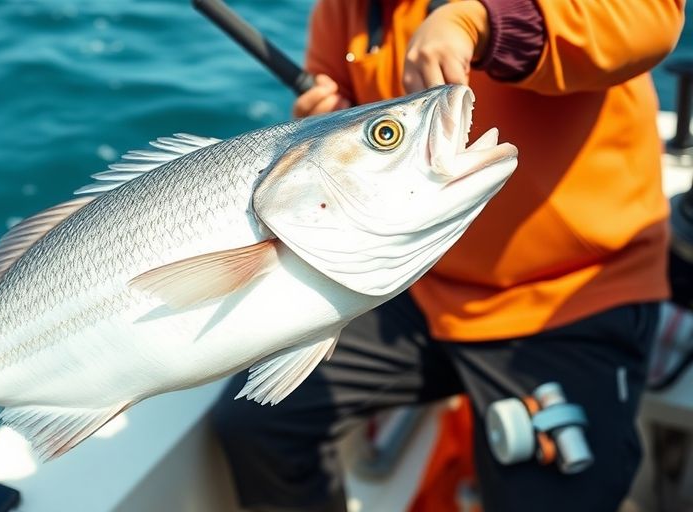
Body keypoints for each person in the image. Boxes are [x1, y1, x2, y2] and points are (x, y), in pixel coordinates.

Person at [210, 1, 686, 511]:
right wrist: (327, 122)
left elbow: (648, 18)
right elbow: (344, 111)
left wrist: (482, 22)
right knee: (258, 424)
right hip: (417, 280)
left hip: (568, 297)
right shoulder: (344, 9)